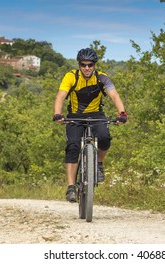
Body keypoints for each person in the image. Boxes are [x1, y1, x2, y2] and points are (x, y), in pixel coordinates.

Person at [53, 48, 128, 202]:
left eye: (90, 65)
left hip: (96, 115)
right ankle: (71, 187)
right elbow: (60, 96)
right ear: (79, 65)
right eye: (83, 65)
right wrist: (57, 114)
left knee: (105, 138)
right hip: (75, 116)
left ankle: (98, 164)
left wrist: (122, 113)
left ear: (95, 65)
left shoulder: (102, 78)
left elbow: (114, 95)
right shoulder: (71, 77)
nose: (87, 68)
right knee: (73, 146)